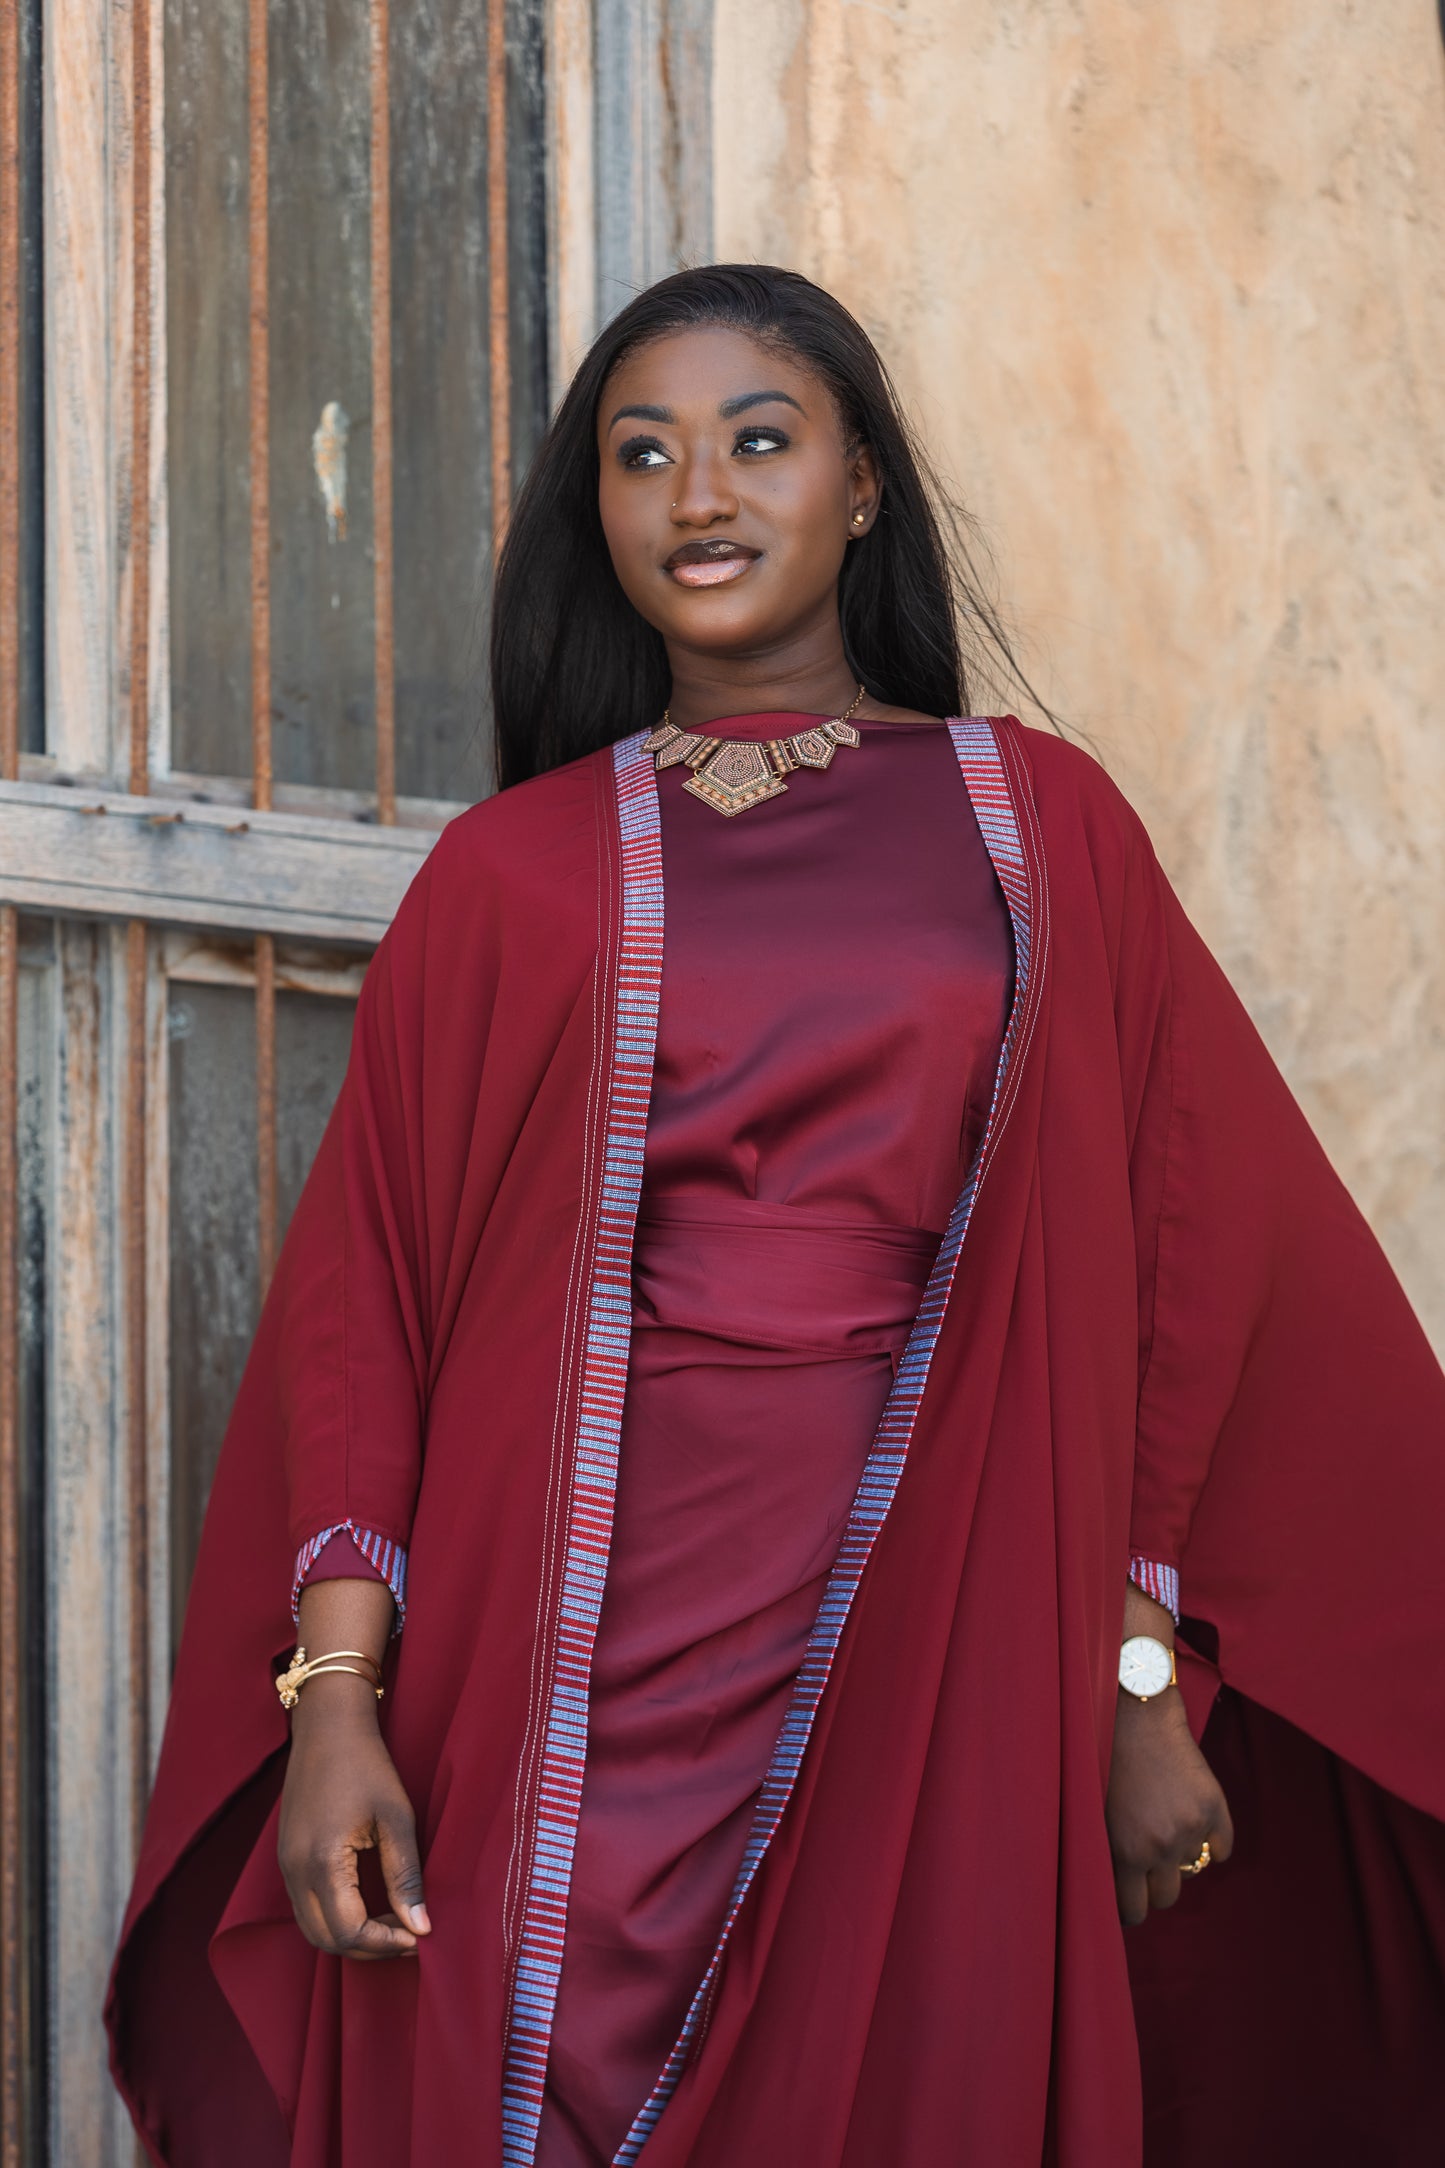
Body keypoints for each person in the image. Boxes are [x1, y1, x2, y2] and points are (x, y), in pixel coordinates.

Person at [108, 265, 1445, 2168]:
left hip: (950, 1603)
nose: (699, 497)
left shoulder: (1041, 829)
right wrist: (338, 1711)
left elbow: (1190, 1275)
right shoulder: (511, 876)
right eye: (642, 457)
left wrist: (1141, 1691)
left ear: (863, 485)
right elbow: (365, 1317)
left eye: (757, 441)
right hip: (553, 1642)